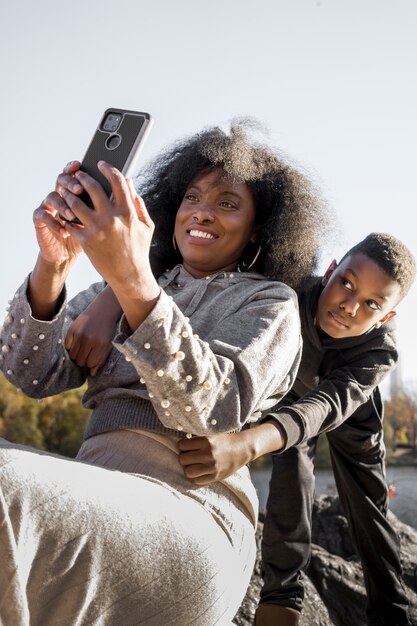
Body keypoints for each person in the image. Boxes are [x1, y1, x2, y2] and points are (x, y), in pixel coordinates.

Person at [0, 121, 329, 626]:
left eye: (226, 203)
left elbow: (212, 408)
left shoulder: (268, 302)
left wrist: (131, 284)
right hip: (92, 492)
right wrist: (53, 265)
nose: (201, 211)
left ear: (258, 229)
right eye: (192, 197)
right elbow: (32, 375)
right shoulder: (117, 291)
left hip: (190, 518)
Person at [172, 232, 416, 626]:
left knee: (369, 504)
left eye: (371, 304)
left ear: (385, 318)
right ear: (331, 271)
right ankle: (282, 596)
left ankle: (392, 614)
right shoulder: (290, 293)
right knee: (291, 468)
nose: (349, 306)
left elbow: (326, 406)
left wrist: (246, 445)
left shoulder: (379, 350)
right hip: (287, 392)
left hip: (345, 406)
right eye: (347, 284)